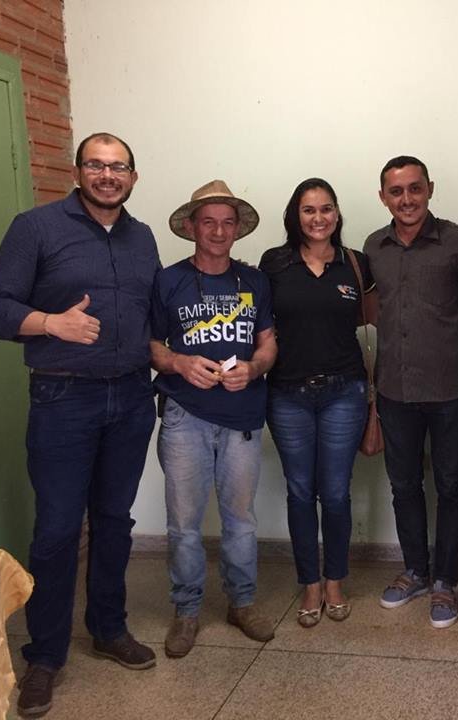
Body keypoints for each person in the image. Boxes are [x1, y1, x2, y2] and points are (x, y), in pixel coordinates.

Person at [0, 132, 160, 717]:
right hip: (63, 397)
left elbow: (153, 312)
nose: (108, 176)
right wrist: (50, 323)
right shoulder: (35, 228)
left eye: (119, 167)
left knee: (114, 521)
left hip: (131, 396)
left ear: (133, 177)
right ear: (78, 171)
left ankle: (108, 628)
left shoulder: (142, 236)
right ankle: (45, 655)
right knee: (58, 530)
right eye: (97, 165)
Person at [151, 180, 278, 657]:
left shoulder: (255, 281)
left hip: (243, 416)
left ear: (238, 229)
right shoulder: (168, 281)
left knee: (240, 519)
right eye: (209, 222)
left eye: (227, 223)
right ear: (192, 227)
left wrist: (255, 368)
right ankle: (186, 611)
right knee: (184, 523)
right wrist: (179, 363)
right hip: (185, 416)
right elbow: (152, 345)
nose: (219, 231)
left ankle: (241, 603)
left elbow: (268, 342)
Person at [363, 156, 458, 628]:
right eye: (396, 191)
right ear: (383, 197)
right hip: (394, 388)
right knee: (404, 485)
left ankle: (445, 581)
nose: (407, 199)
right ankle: (415, 570)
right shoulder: (373, 247)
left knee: (451, 486)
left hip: (450, 388)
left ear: (430, 188)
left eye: (415, 188)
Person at [259, 178, 373, 628]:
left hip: (344, 391)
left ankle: (335, 581)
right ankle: (309, 583)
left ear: (337, 214)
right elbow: (258, 322)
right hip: (288, 394)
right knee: (301, 492)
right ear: (295, 216)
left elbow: (374, 317)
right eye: (309, 210)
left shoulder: (355, 264)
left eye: (326, 209)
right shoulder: (275, 262)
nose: (318, 218)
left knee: (337, 493)